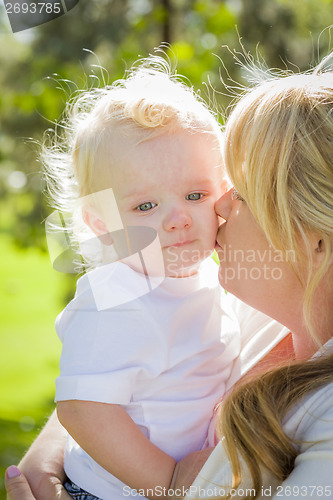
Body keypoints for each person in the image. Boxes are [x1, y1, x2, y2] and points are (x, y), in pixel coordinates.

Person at [7, 51, 333, 499]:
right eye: (146, 206)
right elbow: (88, 401)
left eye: (239, 192)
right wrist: (54, 453)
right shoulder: (237, 299)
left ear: (315, 237)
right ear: (102, 221)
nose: (216, 207)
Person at [17, 57, 247, 500]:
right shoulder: (116, 299)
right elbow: (83, 410)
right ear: (102, 222)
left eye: (195, 195)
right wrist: (168, 481)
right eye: (146, 207)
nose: (178, 219)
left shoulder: (207, 276)